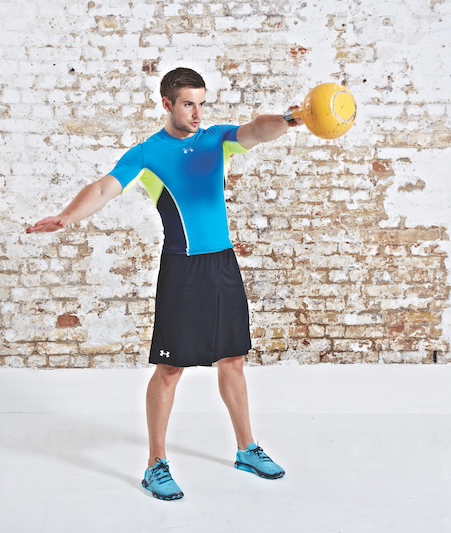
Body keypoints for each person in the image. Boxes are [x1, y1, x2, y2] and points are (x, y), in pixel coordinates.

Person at [27, 67, 302, 501]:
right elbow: (103, 189)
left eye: (201, 103)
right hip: (182, 269)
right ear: (167, 104)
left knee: (233, 359)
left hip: (222, 264)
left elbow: (257, 131)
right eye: (188, 103)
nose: (197, 112)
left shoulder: (217, 140)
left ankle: (247, 448)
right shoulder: (148, 153)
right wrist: (66, 217)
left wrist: (288, 120)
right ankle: (156, 465)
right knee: (171, 369)